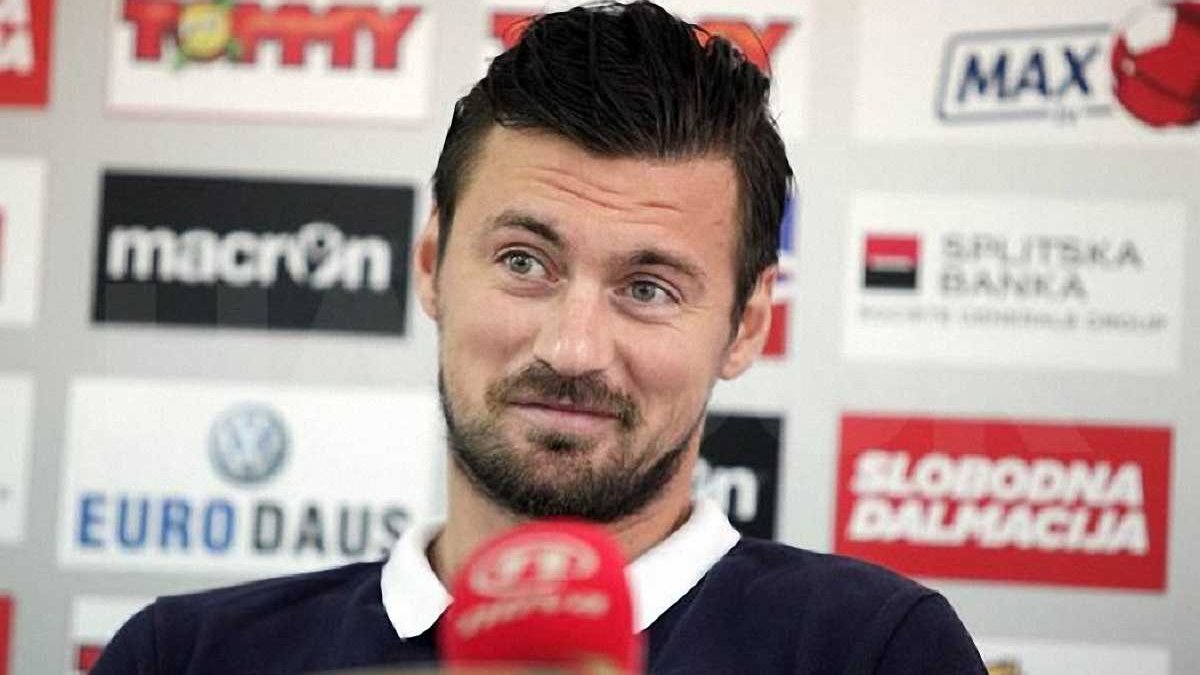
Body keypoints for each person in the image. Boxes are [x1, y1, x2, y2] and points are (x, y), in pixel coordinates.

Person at [94, 2, 986, 673]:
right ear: (433, 263)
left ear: (746, 324)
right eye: (525, 262)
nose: (573, 348)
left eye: (647, 287)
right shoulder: (185, 655)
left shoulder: (874, 651)